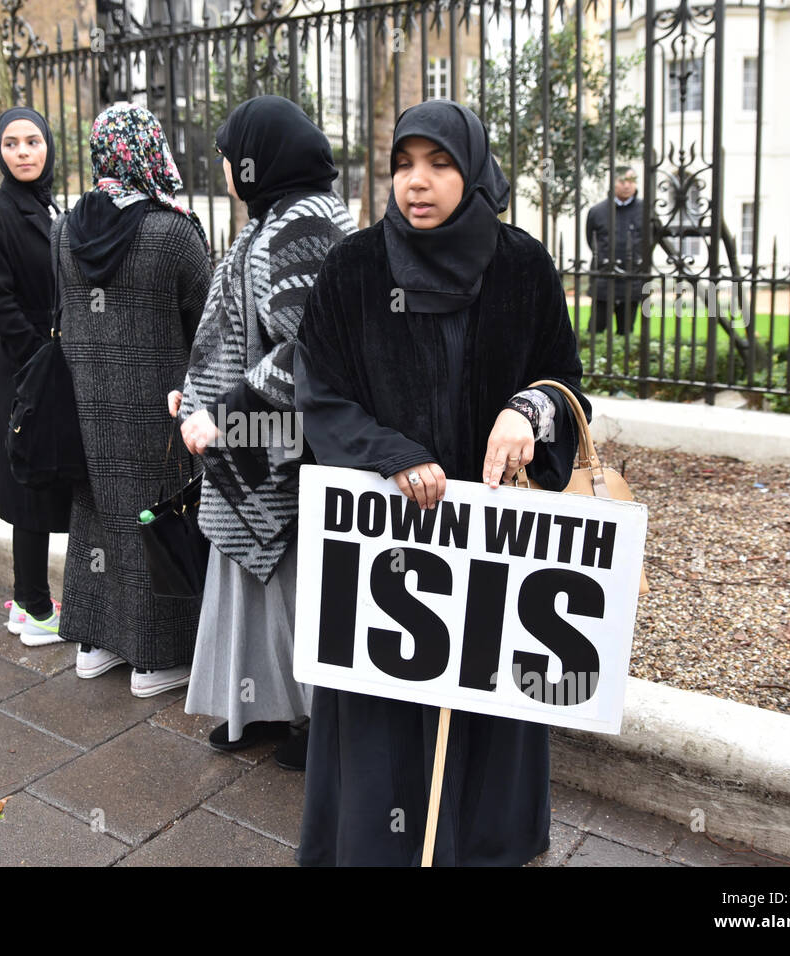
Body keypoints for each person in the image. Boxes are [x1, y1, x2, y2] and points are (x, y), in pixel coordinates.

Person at [293, 100, 590, 865]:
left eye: (439, 164)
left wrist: (530, 409)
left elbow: (568, 385)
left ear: (474, 170)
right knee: (386, 703)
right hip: (389, 543)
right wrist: (390, 452)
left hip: (486, 544)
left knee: (482, 691)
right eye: (402, 164)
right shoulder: (353, 268)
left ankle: (485, 841)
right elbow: (317, 395)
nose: (416, 183)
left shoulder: (522, 266)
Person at [173, 95, 355, 767]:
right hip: (262, 448)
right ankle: (265, 710)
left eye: (226, 155)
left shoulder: (296, 226)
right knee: (259, 582)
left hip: (280, 452)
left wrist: (225, 413)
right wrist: (197, 396)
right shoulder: (283, 216)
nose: (221, 166)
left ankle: (312, 724)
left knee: (291, 583)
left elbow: (312, 350)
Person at [53, 104, 211, 697]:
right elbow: (208, 324)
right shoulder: (173, 232)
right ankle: (154, 660)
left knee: (98, 517)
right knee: (155, 517)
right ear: (151, 148)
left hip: (86, 404)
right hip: (159, 406)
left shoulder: (64, 228)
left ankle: (94, 647)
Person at [0, 107, 73, 647]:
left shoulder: (52, 203)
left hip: (52, 362)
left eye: (33, 141)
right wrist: (41, 356)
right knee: (29, 483)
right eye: (11, 144)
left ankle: (28, 599)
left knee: (45, 476)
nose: (24, 152)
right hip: (27, 368)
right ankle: (33, 608)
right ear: (0, 152)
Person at [586, 165, 644, 336]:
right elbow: (591, 240)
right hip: (604, 278)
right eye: (622, 181)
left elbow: (650, 241)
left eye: (631, 181)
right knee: (595, 330)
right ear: (613, 183)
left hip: (632, 278)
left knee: (626, 333)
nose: (627, 185)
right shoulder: (597, 212)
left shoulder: (645, 211)